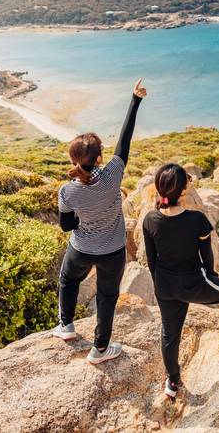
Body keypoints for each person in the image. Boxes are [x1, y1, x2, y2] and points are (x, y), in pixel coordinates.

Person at [51, 79, 146, 365]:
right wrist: (135, 100)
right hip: (113, 251)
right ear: (100, 157)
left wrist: (84, 220)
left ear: (72, 159)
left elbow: (66, 226)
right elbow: (124, 142)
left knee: (68, 280)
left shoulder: (67, 190)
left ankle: (66, 326)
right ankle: (100, 349)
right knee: (107, 297)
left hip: (81, 248)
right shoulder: (113, 174)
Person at [143, 163, 219, 398]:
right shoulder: (196, 220)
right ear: (183, 191)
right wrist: (212, 277)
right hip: (192, 283)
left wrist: (161, 285)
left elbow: (151, 260)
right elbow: (207, 255)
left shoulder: (150, 220)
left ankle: (172, 382)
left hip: (164, 285)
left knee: (169, 333)